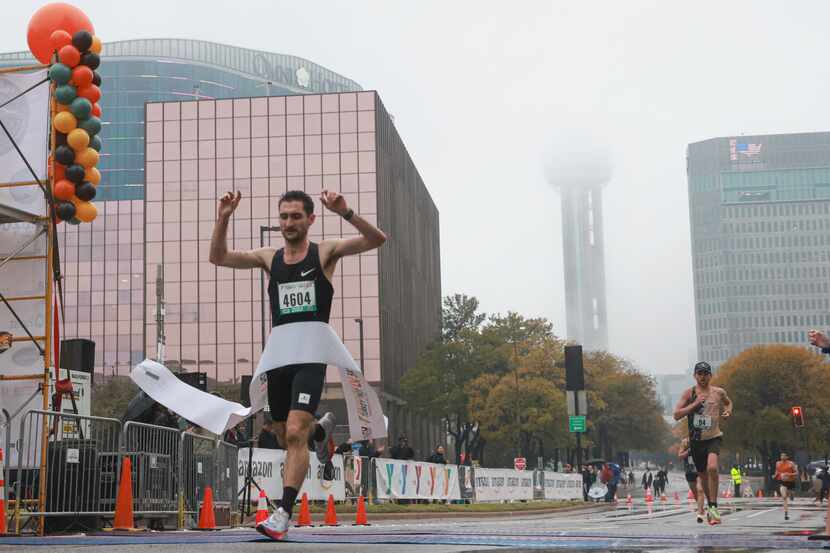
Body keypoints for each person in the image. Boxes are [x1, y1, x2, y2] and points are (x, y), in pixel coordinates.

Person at [210, 189, 386, 541]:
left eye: (295, 216)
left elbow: (376, 239)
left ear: (310, 219)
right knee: (280, 431)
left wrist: (346, 211)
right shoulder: (268, 257)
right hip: (279, 354)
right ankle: (319, 434)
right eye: (284, 217)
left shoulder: (325, 252)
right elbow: (219, 257)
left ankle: (282, 514)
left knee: (293, 432)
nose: (289, 222)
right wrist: (225, 216)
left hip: (311, 353)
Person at [673, 361, 732, 526]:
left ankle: (713, 507)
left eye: (706, 373)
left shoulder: (719, 392)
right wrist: (695, 404)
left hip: (714, 437)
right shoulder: (689, 393)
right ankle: (710, 504)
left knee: (712, 467)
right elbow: (676, 415)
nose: (703, 377)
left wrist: (728, 411)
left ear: (710, 375)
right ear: (695, 376)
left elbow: (728, 402)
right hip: (696, 441)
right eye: (700, 373)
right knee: (704, 477)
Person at [679, 438, 706, 523]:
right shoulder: (685, 442)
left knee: (700, 490)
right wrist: (689, 451)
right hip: (689, 471)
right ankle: (701, 508)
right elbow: (680, 456)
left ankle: (699, 514)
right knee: (695, 493)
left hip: (700, 470)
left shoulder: (703, 441)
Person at [774, 452, 798, 521]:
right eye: (781, 456)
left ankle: (792, 495)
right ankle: (786, 513)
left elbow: (797, 473)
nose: (782, 457)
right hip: (783, 482)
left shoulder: (791, 463)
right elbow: (777, 471)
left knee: (791, 495)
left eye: (784, 456)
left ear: (787, 457)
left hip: (791, 482)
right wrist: (775, 475)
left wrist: (789, 474)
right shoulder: (778, 463)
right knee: (784, 497)